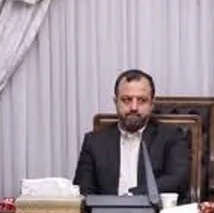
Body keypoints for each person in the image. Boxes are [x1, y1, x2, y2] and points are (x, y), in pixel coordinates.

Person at [73, 69, 190, 197]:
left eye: (142, 100)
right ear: (115, 102)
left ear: (152, 104)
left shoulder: (172, 137)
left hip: (155, 209)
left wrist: (130, 196)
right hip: (106, 210)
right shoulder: (94, 141)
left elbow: (177, 180)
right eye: (127, 100)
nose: (134, 107)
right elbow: (83, 190)